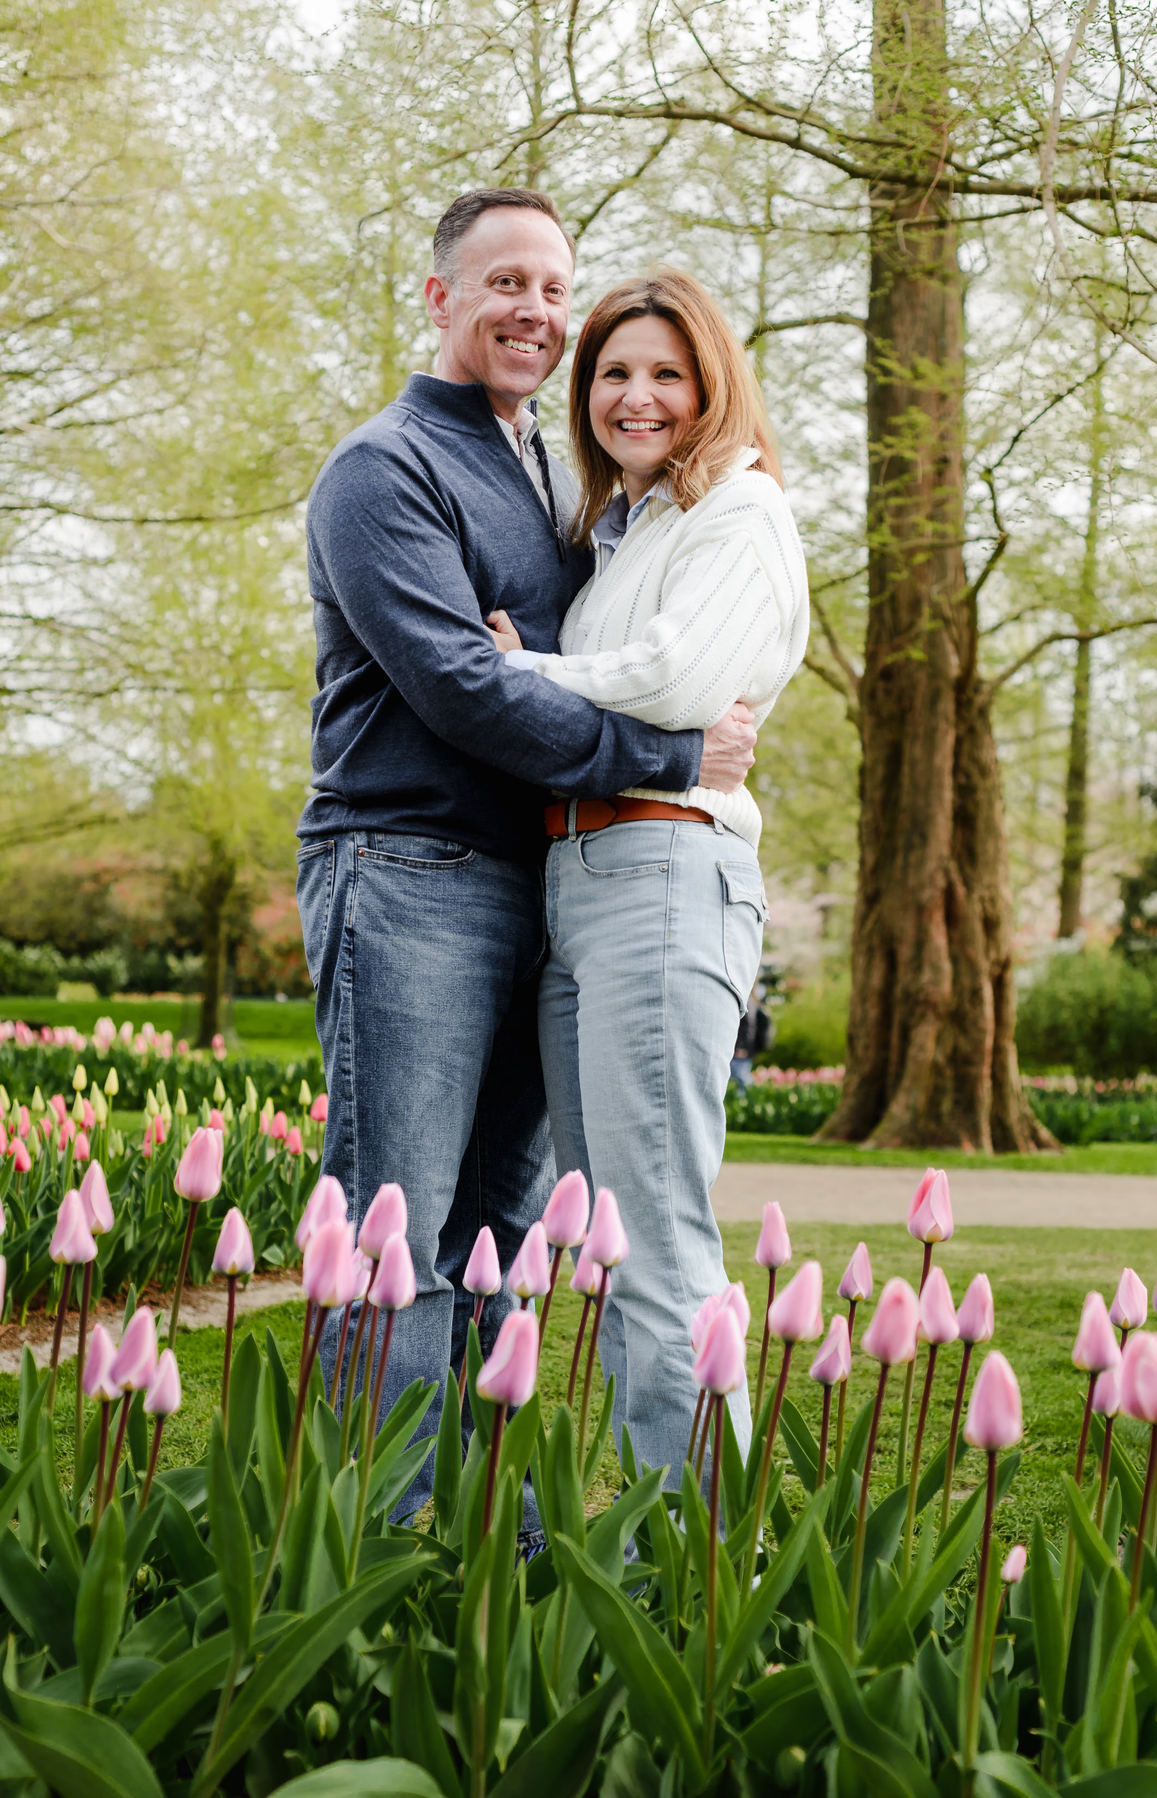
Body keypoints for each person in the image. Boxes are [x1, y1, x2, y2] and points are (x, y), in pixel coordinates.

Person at [295, 193, 756, 1529]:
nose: (536, 314)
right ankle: (370, 1551)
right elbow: (461, 687)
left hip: (541, 886)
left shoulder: (556, 479)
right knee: (400, 1237)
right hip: (411, 873)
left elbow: (576, 663)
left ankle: (481, 1550)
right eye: (504, 283)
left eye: (555, 290)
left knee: (503, 1242)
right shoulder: (383, 472)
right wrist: (671, 758)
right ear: (439, 297)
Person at [488, 269, 808, 1488]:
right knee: (613, 1238)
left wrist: (524, 670)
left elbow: (675, 686)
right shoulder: (631, 529)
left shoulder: (742, 509)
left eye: (667, 373)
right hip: (584, 874)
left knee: (657, 1235)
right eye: (614, 373)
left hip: (669, 863)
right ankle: (665, 1538)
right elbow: (633, 667)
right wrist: (556, 663)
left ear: (710, 383)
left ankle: (708, 1566)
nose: (637, 396)